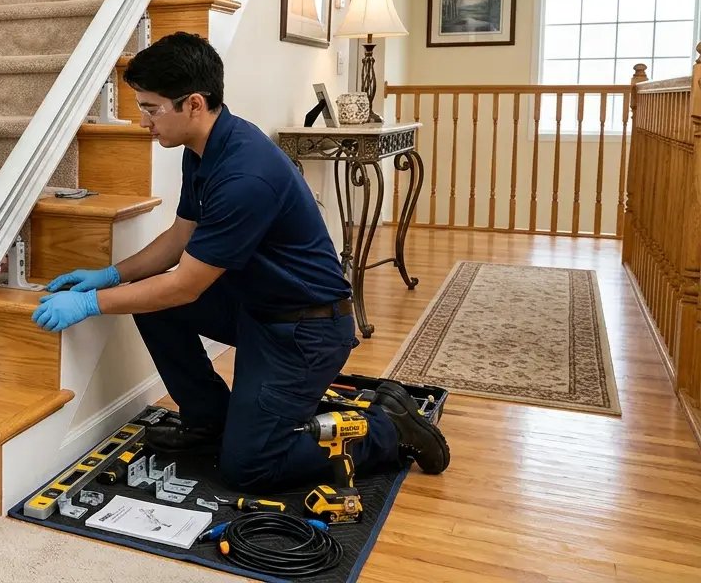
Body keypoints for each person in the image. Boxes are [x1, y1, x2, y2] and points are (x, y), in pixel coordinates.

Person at [32, 32, 450, 493]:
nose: (143, 121)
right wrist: (113, 275)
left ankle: (389, 427)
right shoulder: (202, 149)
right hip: (257, 307)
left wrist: (92, 302)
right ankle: (207, 422)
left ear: (193, 103)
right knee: (148, 303)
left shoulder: (244, 174)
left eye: (151, 108)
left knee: (249, 466)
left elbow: (184, 286)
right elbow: (179, 238)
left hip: (304, 330)